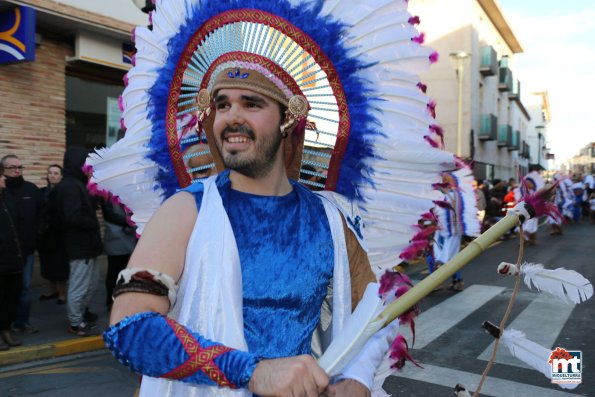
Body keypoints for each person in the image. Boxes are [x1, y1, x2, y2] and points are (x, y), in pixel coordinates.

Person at [51, 148, 102, 337]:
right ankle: (75, 322)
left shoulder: (77, 184)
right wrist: (92, 223)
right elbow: (72, 218)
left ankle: (79, 317)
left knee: (90, 284)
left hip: (88, 246)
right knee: (79, 286)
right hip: (80, 246)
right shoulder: (71, 186)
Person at [1, 154, 42, 334]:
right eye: (12, 167)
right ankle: (5, 326)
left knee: (24, 288)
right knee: (6, 291)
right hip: (5, 253)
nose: (17, 170)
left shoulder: (31, 189)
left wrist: (38, 233)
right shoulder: (3, 193)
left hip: (26, 250)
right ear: (3, 171)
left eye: (20, 167)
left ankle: (21, 322)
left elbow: (42, 214)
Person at [0, 163, 24, 349]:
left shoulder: (7, 198)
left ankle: (6, 330)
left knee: (11, 298)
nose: (4, 179)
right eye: (1, 176)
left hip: (13, 259)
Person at [38, 164, 69, 304]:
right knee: (47, 264)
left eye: (56, 173)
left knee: (60, 265)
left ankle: (62, 293)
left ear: (61, 176)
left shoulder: (65, 192)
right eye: (50, 173)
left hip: (60, 235)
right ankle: (52, 290)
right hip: (45, 235)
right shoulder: (42, 192)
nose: (52, 175)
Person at [100, 199, 137, 309]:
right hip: (116, 238)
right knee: (114, 270)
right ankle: (111, 300)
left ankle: (120, 298)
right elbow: (109, 214)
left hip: (125, 236)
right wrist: (128, 222)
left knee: (124, 269)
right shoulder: (107, 194)